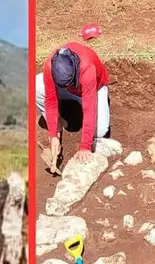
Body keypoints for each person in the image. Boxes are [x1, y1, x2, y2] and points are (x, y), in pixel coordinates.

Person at [36, 40, 110, 168]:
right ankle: (59, 121)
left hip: (94, 90)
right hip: (71, 90)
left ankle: (73, 109)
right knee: (36, 86)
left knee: (101, 131)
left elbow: (89, 109)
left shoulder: (87, 69)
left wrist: (85, 147)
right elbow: (51, 101)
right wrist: (53, 135)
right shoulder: (50, 65)